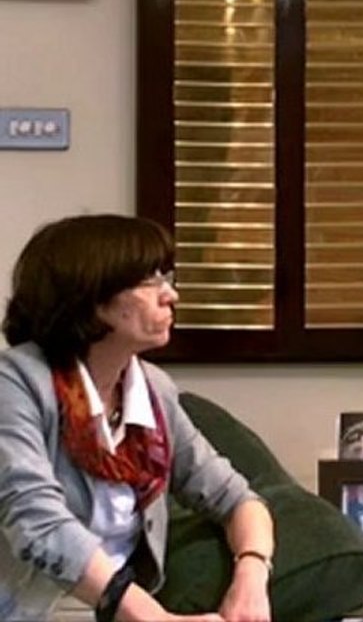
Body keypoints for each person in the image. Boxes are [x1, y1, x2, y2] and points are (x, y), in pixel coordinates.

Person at [0, 214, 274, 621]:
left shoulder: (153, 389)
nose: (171, 295)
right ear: (92, 298)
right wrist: (154, 618)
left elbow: (237, 499)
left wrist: (251, 576)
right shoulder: (16, 382)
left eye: (168, 277)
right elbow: (35, 519)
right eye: (150, 281)